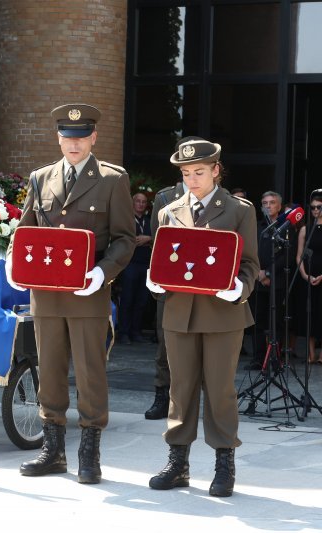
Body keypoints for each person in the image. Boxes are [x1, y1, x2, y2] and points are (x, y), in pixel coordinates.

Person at [8, 103, 135, 484]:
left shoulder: (113, 179)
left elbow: (126, 239)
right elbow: (23, 230)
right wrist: (16, 264)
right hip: (46, 294)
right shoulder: (41, 177)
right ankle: (53, 451)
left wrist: (103, 271)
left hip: (87, 293)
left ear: (93, 137)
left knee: (90, 372)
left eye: (81, 137)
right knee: (49, 370)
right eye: (67, 137)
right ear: (58, 138)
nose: (74, 144)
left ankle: (89, 452)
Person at [146, 138, 258, 498]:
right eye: (185, 173)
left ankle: (224, 463)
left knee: (220, 391)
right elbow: (164, 259)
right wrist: (154, 280)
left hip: (223, 314)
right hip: (179, 313)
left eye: (198, 172)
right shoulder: (167, 211)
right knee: (180, 391)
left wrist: (239, 287)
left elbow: (251, 265)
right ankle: (178, 462)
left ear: (215, 171)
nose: (191, 180)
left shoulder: (240, 210)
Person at [144, 135, 206, 420]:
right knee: (165, 342)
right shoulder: (165, 198)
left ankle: (195, 398)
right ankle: (162, 395)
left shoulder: (218, 197)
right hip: (171, 283)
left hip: (203, 282)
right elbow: (158, 242)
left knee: (202, 342)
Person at [246, 191, 291, 370]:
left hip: (277, 282)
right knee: (258, 321)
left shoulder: (286, 227)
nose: (268, 206)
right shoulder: (257, 227)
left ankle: (275, 359)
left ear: (279, 206)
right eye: (265, 203)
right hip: (258, 281)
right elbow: (250, 251)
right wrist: (259, 272)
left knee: (276, 322)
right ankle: (258, 358)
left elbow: (287, 255)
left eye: (272, 203)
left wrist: (269, 274)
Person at [116, 191, 153, 345]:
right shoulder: (126, 220)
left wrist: (149, 238)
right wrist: (139, 240)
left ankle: (136, 332)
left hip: (145, 264)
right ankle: (124, 333)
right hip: (130, 264)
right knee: (127, 299)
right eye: (138, 201)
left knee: (141, 300)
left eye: (143, 202)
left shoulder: (149, 221)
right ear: (132, 203)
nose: (140, 204)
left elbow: (157, 237)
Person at [296, 189, 322, 363]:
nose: (315, 211)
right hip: (309, 277)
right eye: (312, 208)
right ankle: (311, 353)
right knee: (310, 314)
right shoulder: (306, 229)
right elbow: (299, 255)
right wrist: (305, 275)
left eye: (319, 207)